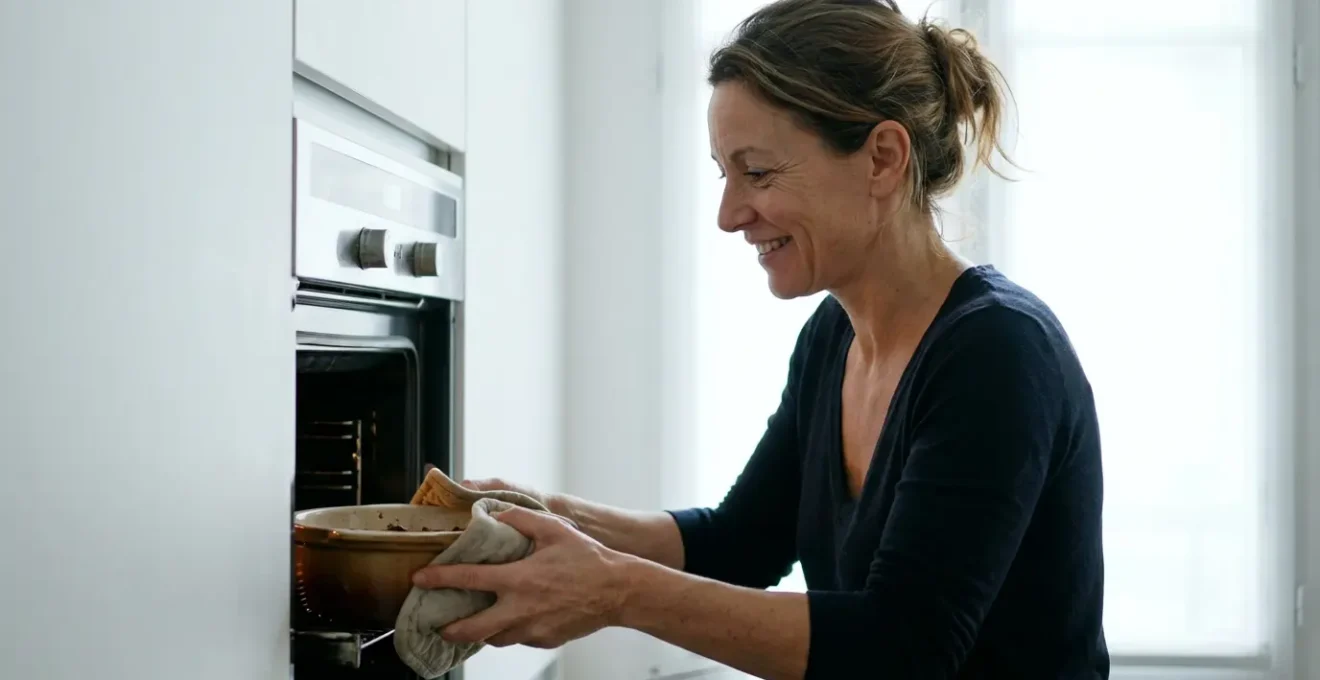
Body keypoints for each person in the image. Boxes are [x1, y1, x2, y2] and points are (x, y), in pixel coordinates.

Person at [412, 0, 1109, 677]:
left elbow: (902, 648)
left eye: (758, 172)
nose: (728, 214)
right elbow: (737, 544)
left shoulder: (997, 355)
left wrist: (614, 590)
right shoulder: (833, 338)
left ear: (883, 159)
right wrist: (541, 516)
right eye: (724, 174)